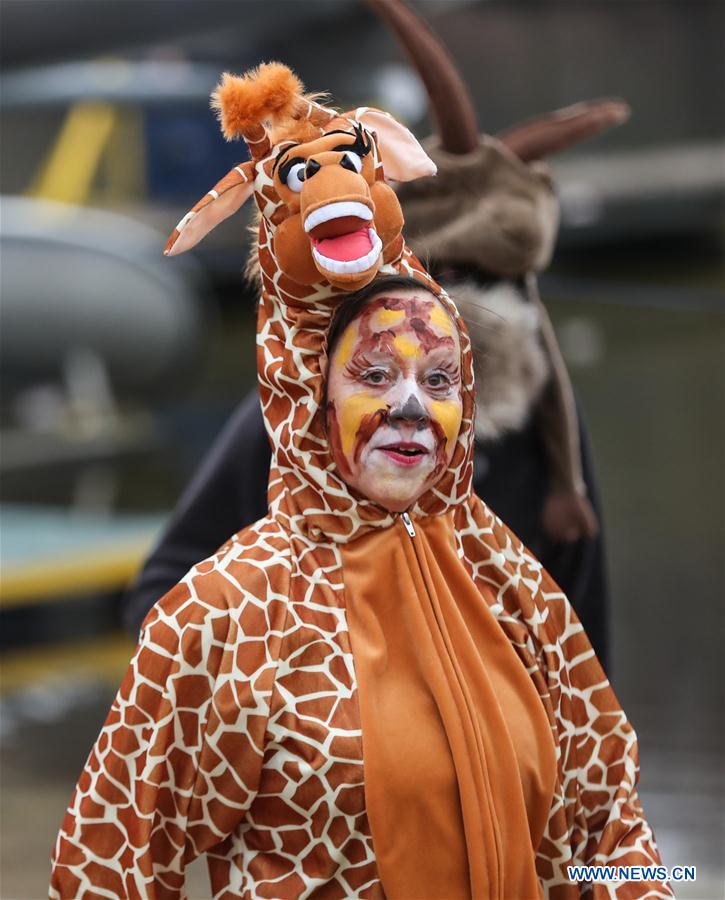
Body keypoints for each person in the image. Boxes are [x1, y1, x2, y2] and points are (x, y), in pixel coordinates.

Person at [51, 275, 669, 898]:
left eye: (437, 380)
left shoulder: (514, 584)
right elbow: (108, 863)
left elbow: (610, 829)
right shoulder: (226, 608)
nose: (410, 407)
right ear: (315, 395)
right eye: (374, 376)